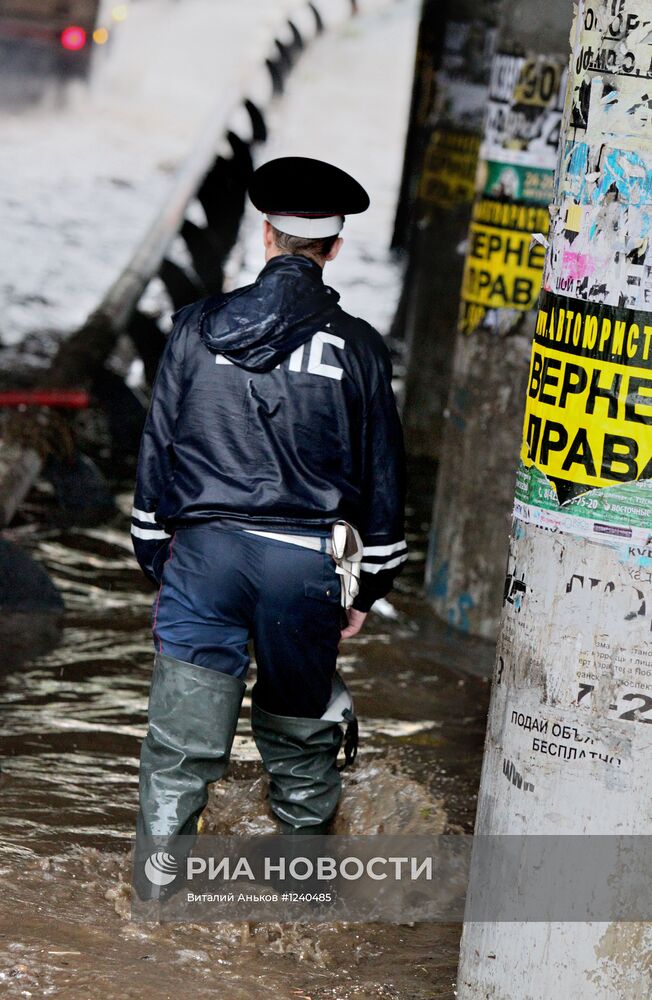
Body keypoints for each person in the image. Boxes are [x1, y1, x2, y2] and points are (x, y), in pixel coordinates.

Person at [131, 156, 406, 869]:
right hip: (306, 566)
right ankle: (298, 914)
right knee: (302, 747)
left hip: (204, 558)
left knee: (180, 753)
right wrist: (366, 589)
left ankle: (152, 918)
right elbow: (382, 486)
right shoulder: (361, 349)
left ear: (266, 235)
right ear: (334, 248)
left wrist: (170, 562)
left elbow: (156, 460)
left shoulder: (193, 329)